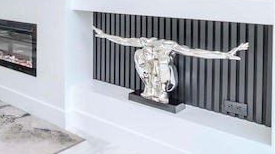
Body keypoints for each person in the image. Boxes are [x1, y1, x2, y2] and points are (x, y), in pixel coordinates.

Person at [92, 26, 249, 104]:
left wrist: (226, 54)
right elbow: (124, 41)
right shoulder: (145, 44)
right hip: (152, 76)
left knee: (161, 62)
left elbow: (195, 52)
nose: (147, 55)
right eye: (146, 53)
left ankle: (162, 92)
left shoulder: (167, 47)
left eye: (149, 53)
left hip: (167, 77)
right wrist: (104, 35)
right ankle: (151, 89)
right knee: (140, 57)